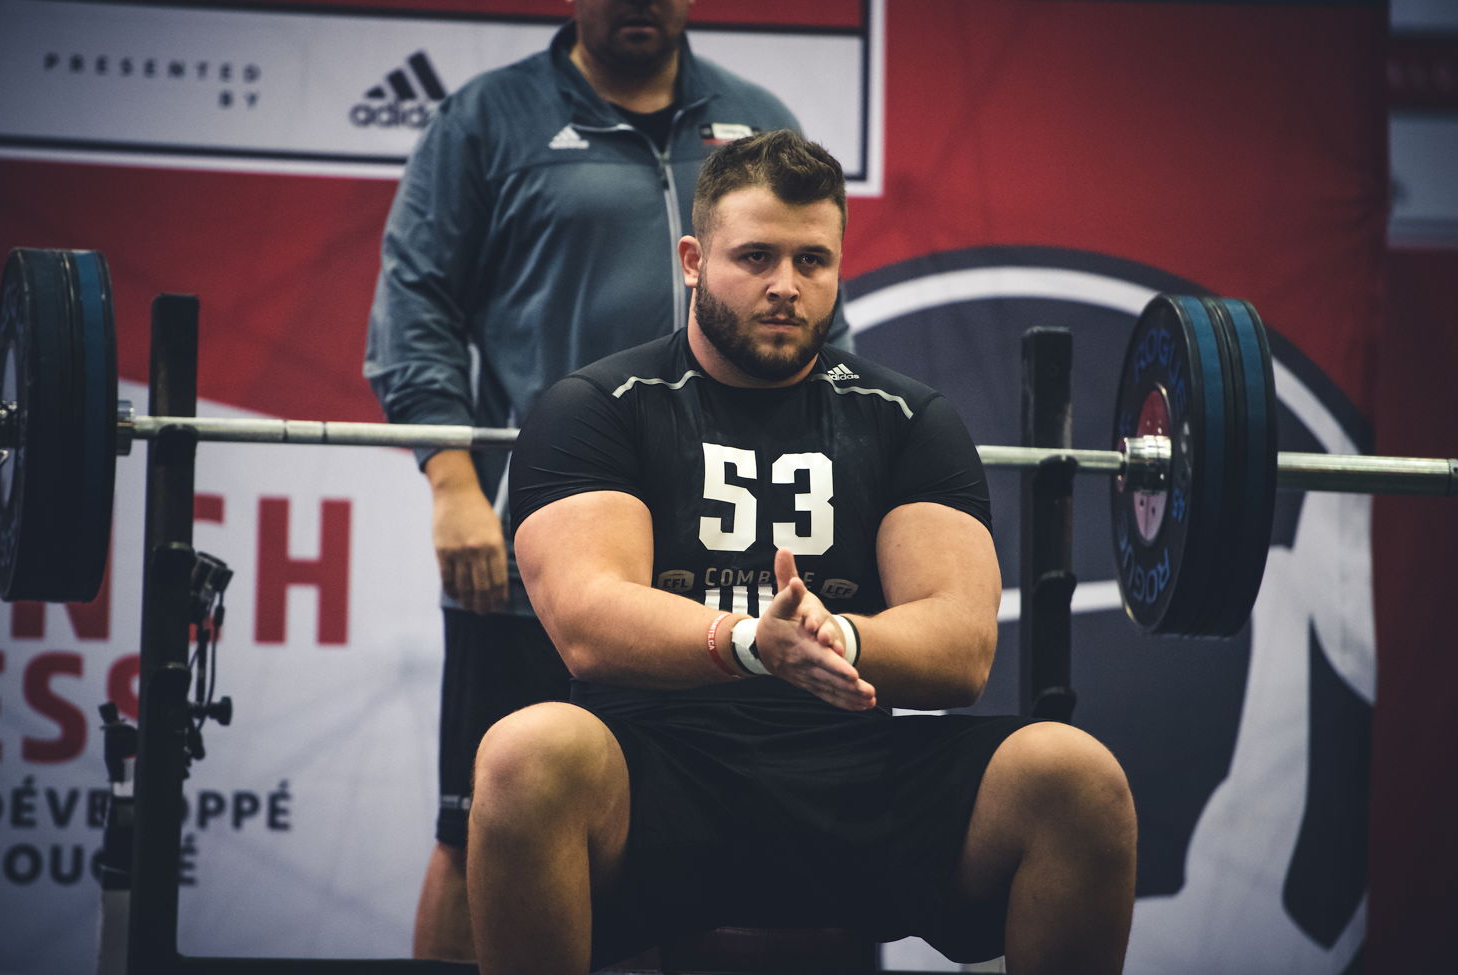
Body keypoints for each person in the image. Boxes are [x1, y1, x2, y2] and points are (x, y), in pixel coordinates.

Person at [470, 130, 1139, 975]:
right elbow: (587, 621)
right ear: (691, 258)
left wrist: (840, 640)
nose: (786, 286)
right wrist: (754, 644)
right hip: (658, 775)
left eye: (813, 261)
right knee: (525, 752)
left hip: (859, 774)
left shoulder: (907, 418)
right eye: (755, 256)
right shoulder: (599, 407)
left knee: (1074, 773)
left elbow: (962, 645)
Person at [363, 0, 851, 961]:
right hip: (546, 540)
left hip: (720, 552)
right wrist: (454, 481)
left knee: (728, 830)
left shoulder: (757, 120)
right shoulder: (489, 120)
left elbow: (821, 326)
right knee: (479, 831)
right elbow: (413, 304)